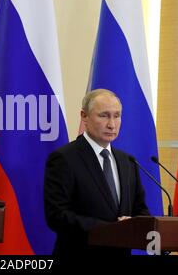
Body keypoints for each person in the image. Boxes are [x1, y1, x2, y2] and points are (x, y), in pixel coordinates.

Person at [44, 89, 150, 258]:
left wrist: (135, 224)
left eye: (117, 116)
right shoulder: (64, 158)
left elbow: (141, 211)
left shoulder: (127, 162)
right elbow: (57, 216)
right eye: (104, 115)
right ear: (84, 116)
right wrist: (110, 230)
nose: (112, 124)